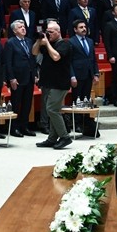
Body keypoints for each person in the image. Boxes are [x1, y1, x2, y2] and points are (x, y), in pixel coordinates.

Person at [33, 21, 73, 150]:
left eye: (51, 32)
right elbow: (34, 52)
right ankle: (52, 139)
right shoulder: (47, 43)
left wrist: (48, 44)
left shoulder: (65, 44)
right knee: (51, 110)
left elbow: (56, 57)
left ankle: (65, 136)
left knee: (52, 109)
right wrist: (40, 41)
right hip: (47, 82)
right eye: (47, 31)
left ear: (58, 32)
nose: (48, 34)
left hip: (60, 83)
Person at [69, 18, 100, 107]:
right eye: (81, 27)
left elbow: (93, 59)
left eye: (85, 27)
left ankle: (86, 119)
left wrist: (96, 74)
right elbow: (69, 61)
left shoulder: (90, 41)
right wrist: (72, 76)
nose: (84, 29)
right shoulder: (71, 41)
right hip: (77, 75)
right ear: (75, 30)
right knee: (77, 100)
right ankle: (77, 120)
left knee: (87, 99)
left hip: (89, 74)